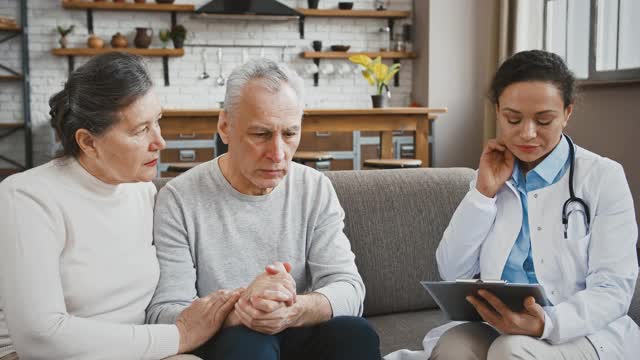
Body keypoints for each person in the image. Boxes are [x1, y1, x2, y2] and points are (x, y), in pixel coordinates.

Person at [0, 52, 239, 360]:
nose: (159, 141)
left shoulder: (143, 192)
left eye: (158, 122)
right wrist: (179, 335)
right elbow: (39, 338)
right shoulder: (27, 198)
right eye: (141, 130)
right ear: (88, 142)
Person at [146, 58, 381, 360]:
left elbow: (349, 288)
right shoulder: (179, 198)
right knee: (249, 343)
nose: (278, 153)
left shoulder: (315, 188)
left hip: (298, 328)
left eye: (290, 133)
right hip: (229, 338)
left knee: (356, 334)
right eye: (261, 134)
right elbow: (164, 313)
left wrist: (295, 309)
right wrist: (245, 307)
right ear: (225, 126)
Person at [429, 50, 639, 359]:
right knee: (452, 348)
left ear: (567, 112)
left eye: (544, 120)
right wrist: (483, 193)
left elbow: (613, 290)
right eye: (513, 119)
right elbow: (451, 271)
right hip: (498, 325)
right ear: (497, 111)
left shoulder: (603, 177)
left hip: (583, 331)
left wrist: (546, 322)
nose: (527, 134)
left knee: (509, 350)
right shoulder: (488, 178)